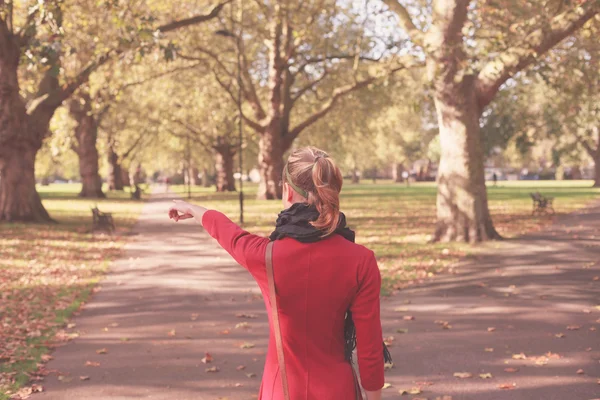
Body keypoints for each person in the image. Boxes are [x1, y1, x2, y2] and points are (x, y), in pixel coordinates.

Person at [168, 147, 386, 400]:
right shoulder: (362, 261)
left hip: (280, 391)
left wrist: (194, 209)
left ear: (287, 190)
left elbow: (232, 235)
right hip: (337, 391)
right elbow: (370, 349)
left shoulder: (266, 256)